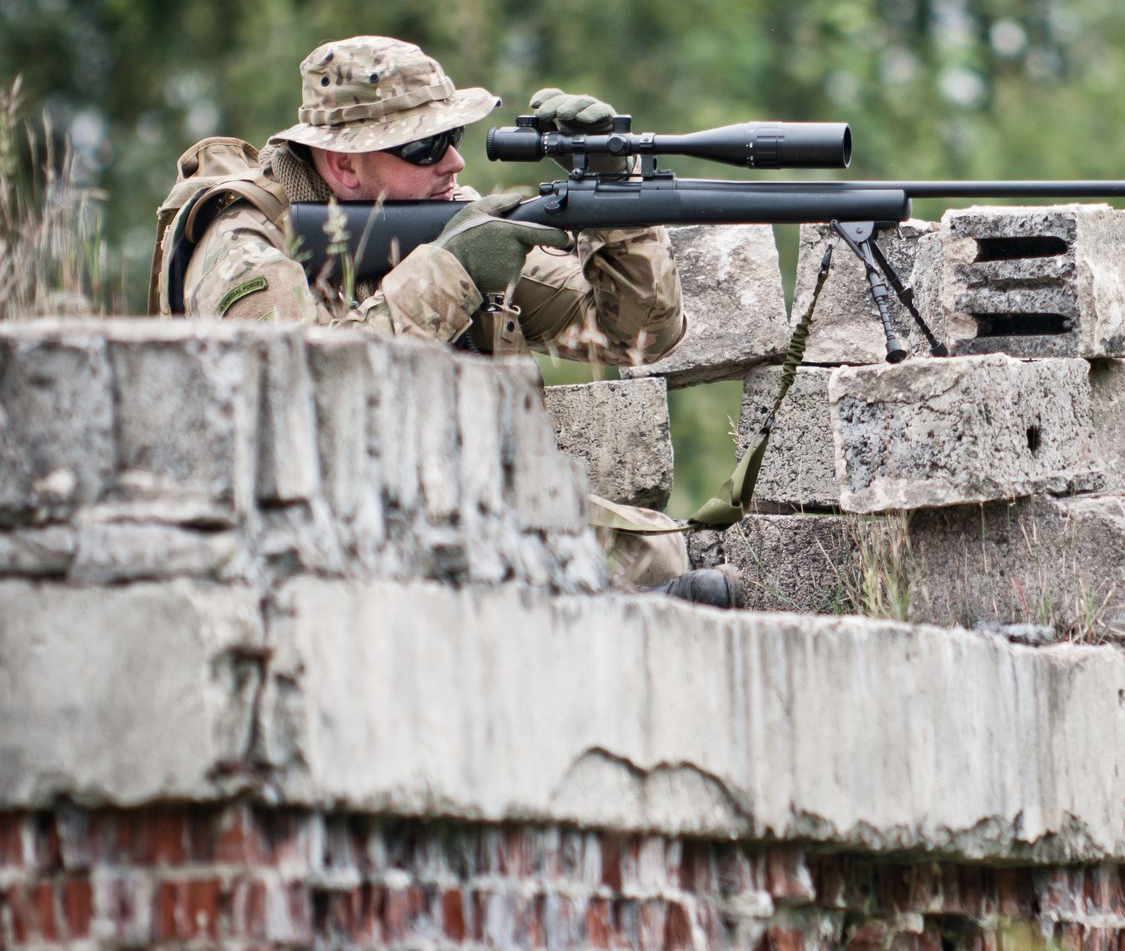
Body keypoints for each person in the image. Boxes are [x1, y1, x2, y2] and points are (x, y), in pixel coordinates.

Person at [152, 34, 735, 606]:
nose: (455, 161)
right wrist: (450, 271)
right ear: (344, 165)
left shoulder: (432, 220)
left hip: (438, 506)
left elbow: (638, 336)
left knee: (651, 551)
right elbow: (299, 398)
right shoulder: (240, 240)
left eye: (451, 137)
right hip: (291, 530)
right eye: (425, 148)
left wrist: (616, 198)